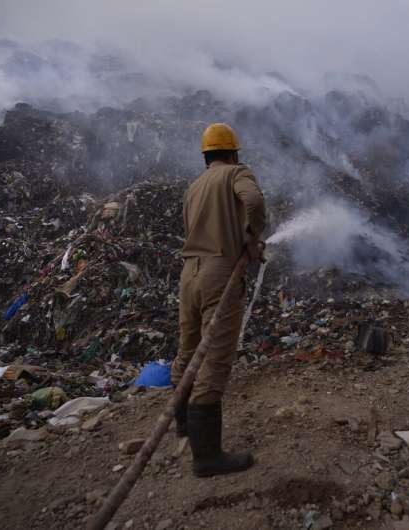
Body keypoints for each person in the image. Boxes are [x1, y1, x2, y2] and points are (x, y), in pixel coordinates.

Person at [170, 122, 266, 477]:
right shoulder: (236, 173)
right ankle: (207, 457)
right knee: (215, 358)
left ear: (206, 155)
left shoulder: (193, 187)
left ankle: (183, 424)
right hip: (218, 274)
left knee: (188, 348)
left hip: (189, 274)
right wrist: (252, 237)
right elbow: (253, 201)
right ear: (232, 153)